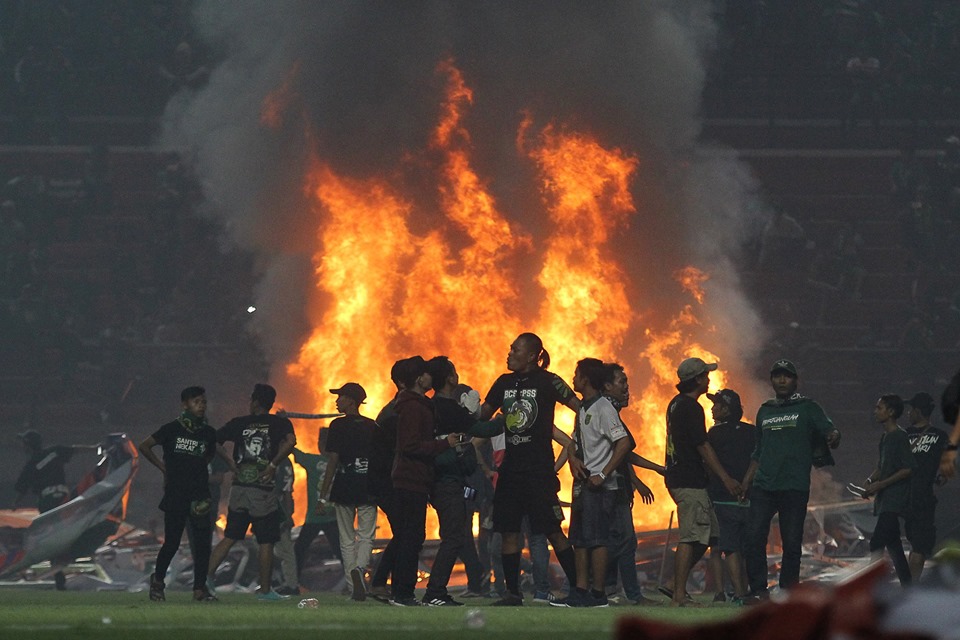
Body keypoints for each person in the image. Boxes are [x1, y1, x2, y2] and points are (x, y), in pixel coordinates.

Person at [476, 332, 581, 607]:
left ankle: (580, 591)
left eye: (515, 349)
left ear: (532, 355)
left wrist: (579, 442)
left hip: (539, 471)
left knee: (553, 531)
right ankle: (513, 594)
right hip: (510, 472)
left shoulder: (549, 381)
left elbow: (581, 408)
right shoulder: (503, 382)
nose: (509, 353)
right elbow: (483, 415)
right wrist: (463, 414)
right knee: (509, 532)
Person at [742, 359, 841, 602]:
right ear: (772, 380)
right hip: (764, 485)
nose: (782, 380)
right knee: (754, 538)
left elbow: (830, 430)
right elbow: (758, 451)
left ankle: (787, 594)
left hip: (794, 486)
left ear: (795, 381)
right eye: (777, 376)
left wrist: (834, 436)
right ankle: (758, 591)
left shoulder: (808, 408)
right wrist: (746, 482)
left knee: (792, 543)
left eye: (786, 376)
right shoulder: (765, 410)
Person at [663, 357, 742, 607]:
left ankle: (674, 586)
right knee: (691, 537)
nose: (708, 379)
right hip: (688, 479)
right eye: (705, 375)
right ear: (697, 379)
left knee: (709, 535)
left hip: (683, 478)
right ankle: (678, 596)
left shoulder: (675, 404)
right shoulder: (690, 407)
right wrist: (726, 478)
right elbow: (703, 445)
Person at [207, 383, 296, 601]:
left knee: (229, 537)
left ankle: (203, 580)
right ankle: (265, 591)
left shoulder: (239, 423)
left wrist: (230, 462)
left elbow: (213, 441)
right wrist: (273, 464)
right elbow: (291, 442)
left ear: (255, 402)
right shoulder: (279, 423)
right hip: (262, 491)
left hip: (239, 490)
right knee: (266, 540)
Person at [556, 358, 631, 608]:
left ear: (586, 379)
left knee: (597, 538)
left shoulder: (603, 408)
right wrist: (572, 459)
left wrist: (604, 473)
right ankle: (580, 591)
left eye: (577, 374)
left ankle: (598, 594)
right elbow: (574, 443)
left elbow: (623, 442)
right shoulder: (584, 409)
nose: (573, 378)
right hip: (582, 486)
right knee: (579, 539)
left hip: (599, 488)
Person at [389, 356, 461, 606]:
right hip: (410, 480)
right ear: (419, 379)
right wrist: (444, 444)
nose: (431, 376)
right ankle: (403, 593)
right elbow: (409, 445)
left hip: (416, 480)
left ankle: (401, 591)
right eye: (426, 373)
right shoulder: (412, 407)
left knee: (411, 536)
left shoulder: (417, 404)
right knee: (411, 537)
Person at [137, 386, 218, 602]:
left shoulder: (208, 432)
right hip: (176, 494)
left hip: (200, 495)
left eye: (203, 401)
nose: (201, 405)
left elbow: (209, 455)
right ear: (185, 404)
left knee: (202, 545)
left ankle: (200, 590)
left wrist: (196, 470)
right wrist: (163, 468)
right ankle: (158, 582)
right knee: (171, 543)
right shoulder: (171, 429)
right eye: (196, 402)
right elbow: (144, 446)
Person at [421, 356, 479, 606]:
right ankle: (434, 591)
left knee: (453, 534)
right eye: (454, 372)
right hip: (449, 482)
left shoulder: (430, 407)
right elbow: (479, 427)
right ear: (449, 378)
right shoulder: (448, 407)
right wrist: (502, 420)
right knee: (455, 536)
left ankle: (436, 591)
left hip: (439, 482)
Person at [601, 362, 660, 606]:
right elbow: (623, 450)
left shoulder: (609, 412)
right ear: (607, 386)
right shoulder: (606, 412)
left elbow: (621, 454)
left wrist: (639, 479)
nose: (627, 388)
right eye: (621, 382)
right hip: (611, 490)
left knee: (614, 541)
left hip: (617, 487)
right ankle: (631, 595)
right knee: (625, 542)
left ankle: (609, 590)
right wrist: (654, 471)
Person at [15, 429, 98, 591]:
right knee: (72, 528)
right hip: (65, 499)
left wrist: (14, 504)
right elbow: (75, 449)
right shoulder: (54, 451)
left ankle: (59, 579)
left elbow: (20, 491)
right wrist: (96, 448)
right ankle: (80, 553)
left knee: (51, 537)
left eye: (23, 443)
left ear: (28, 445)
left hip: (47, 501)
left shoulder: (30, 466)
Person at [318, 382, 378, 602]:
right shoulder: (373, 426)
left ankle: (354, 588)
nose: (337, 400)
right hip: (368, 486)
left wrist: (323, 495)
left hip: (344, 484)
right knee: (366, 535)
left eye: (340, 397)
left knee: (346, 538)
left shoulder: (337, 426)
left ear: (351, 400)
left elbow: (333, 460)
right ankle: (361, 571)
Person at [704, 389, 754, 604]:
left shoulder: (713, 434)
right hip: (748, 499)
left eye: (716, 405)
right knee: (746, 548)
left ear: (726, 409)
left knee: (730, 547)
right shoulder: (752, 432)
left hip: (723, 498)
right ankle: (749, 590)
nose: (713, 408)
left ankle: (740, 594)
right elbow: (757, 460)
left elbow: (707, 463)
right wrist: (745, 484)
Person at [861, 395, 915, 587]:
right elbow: (881, 466)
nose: (875, 411)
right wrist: (869, 481)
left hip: (894, 500)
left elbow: (907, 469)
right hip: (885, 501)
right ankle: (908, 588)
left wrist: (881, 485)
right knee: (894, 547)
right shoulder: (886, 437)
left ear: (891, 412)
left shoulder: (900, 436)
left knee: (876, 543)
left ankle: (869, 588)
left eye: (879, 407)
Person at [367, 360, 405, 602]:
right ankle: (381, 582)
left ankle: (387, 582)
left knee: (406, 532)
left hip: (390, 481)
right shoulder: (394, 414)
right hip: (389, 482)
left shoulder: (395, 410)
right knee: (406, 531)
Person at [903, 392, 949, 581]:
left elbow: (947, 463)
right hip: (914, 498)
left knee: (918, 545)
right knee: (918, 544)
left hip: (916, 497)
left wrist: (942, 474)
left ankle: (908, 589)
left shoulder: (937, 435)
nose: (908, 413)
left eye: (911, 409)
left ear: (918, 411)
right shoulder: (905, 434)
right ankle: (910, 590)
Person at [292, 428, 342, 589]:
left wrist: (284, 424)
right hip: (333, 515)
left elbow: (292, 448)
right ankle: (355, 583)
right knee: (342, 551)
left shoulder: (311, 461)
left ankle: (294, 583)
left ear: (321, 444)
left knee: (299, 549)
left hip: (314, 516)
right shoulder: (340, 463)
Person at [272, 457, 299, 595]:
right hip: (264, 507)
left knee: (285, 549)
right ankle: (275, 581)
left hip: (278, 511)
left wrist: (288, 516)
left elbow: (287, 490)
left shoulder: (283, 462)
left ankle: (291, 585)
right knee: (266, 546)